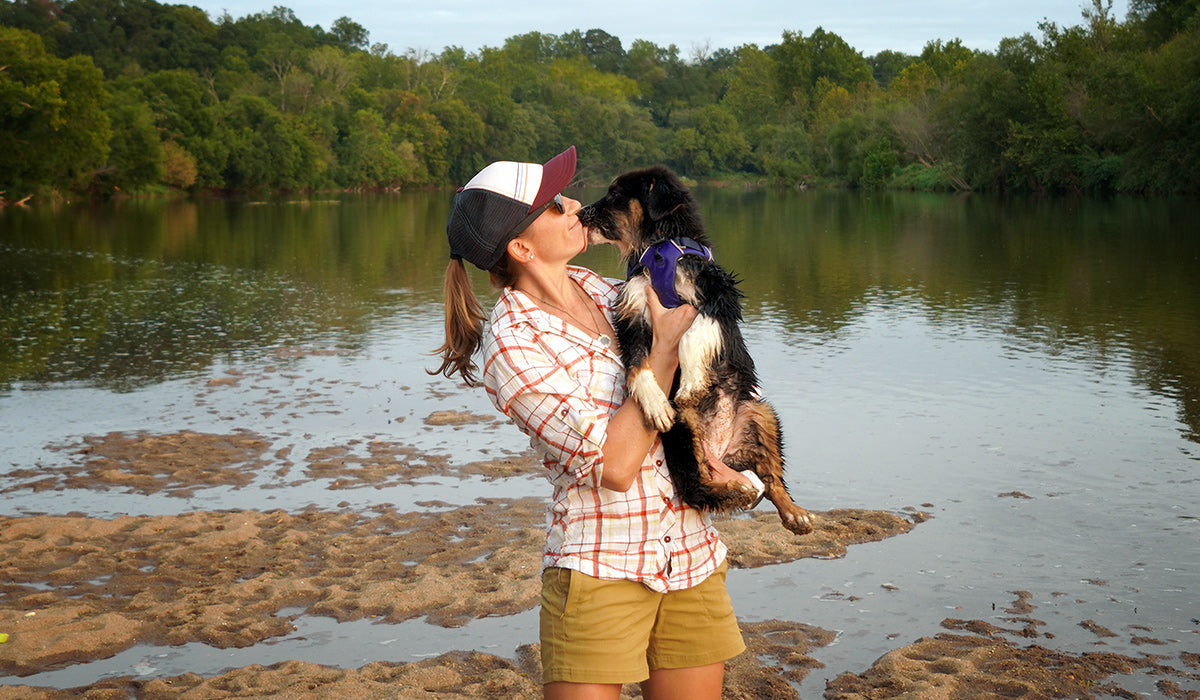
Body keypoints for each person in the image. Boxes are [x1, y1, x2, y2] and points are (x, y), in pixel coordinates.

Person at [432, 146, 754, 700]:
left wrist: (729, 464)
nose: (577, 204)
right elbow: (615, 465)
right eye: (556, 205)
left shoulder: (604, 290)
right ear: (520, 245)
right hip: (599, 567)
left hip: (691, 556)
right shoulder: (512, 346)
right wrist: (664, 353)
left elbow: (706, 374)